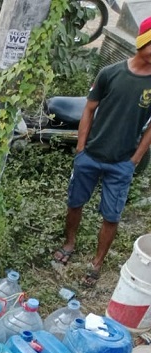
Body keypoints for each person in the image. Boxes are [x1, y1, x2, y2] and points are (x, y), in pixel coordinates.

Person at [53, 17, 151, 286]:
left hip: (122, 163)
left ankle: (96, 263)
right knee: (75, 202)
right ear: (144, 42)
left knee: (111, 215)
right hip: (91, 155)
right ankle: (69, 243)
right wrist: (81, 148)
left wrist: (135, 159)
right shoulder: (110, 73)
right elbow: (89, 109)